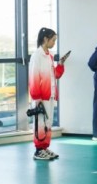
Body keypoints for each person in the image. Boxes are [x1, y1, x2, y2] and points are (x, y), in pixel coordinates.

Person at [28, 27, 69, 161]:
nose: (54, 43)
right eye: (53, 40)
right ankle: (38, 150)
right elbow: (34, 77)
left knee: (48, 122)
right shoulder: (37, 56)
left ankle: (44, 147)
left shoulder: (49, 56)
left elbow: (55, 75)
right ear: (45, 39)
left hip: (50, 95)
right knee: (40, 123)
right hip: (40, 97)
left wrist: (60, 64)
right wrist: (37, 98)